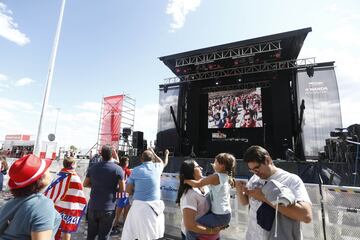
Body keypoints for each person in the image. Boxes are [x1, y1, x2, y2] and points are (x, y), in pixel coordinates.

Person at [235, 145, 312, 240]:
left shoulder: (291, 180)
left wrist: (264, 198)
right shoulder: (255, 178)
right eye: (251, 170)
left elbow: (306, 216)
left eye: (257, 168)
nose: (255, 173)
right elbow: (245, 202)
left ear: (267, 160)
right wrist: (239, 189)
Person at [0, 154, 61, 239]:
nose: (49, 171)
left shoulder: (11, 203)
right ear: (41, 178)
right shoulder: (42, 205)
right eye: (46, 169)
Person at [121, 148, 169, 240]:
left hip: (139, 207)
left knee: (133, 234)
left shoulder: (135, 170)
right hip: (154, 208)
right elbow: (163, 162)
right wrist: (160, 153)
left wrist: (136, 189)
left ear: (141, 159)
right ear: (152, 159)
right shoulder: (158, 167)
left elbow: (128, 192)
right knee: (151, 235)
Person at [184, 153, 235, 240]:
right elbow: (209, 180)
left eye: (215, 162)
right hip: (224, 215)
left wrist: (185, 180)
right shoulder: (226, 177)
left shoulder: (216, 177)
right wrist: (216, 169)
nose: (213, 163)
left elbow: (198, 183)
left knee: (192, 228)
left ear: (222, 165)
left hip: (219, 216)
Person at [177, 159, 228, 240]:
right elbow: (190, 225)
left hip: (210, 236)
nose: (201, 168)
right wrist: (212, 231)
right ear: (191, 171)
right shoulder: (189, 195)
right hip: (197, 236)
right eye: (197, 166)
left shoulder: (206, 187)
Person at [83, 144, 125, 240]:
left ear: (101, 154)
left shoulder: (92, 168)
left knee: (91, 236)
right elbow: (122, 189)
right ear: (112, 155)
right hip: (108, 208)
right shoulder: (118, 169)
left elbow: (85, 184)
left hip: (93, 207)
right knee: (104, 237)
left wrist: (96, 186)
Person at [45, 157, 87, 240]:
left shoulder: (58, 175)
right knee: (66, 230)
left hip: (57, 206)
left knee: (56, 228)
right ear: (72, 165)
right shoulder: (75, 178)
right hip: (69, 208)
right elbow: (79, 193)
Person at [111, 156, 132, 235]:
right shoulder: (126, 171)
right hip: (122, 193)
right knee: (119, 212)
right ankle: (114, 226)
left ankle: (123, 226)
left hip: (122, 193)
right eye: (128, 162)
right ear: (126, 163)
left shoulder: (118, 169)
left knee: (126, 208)